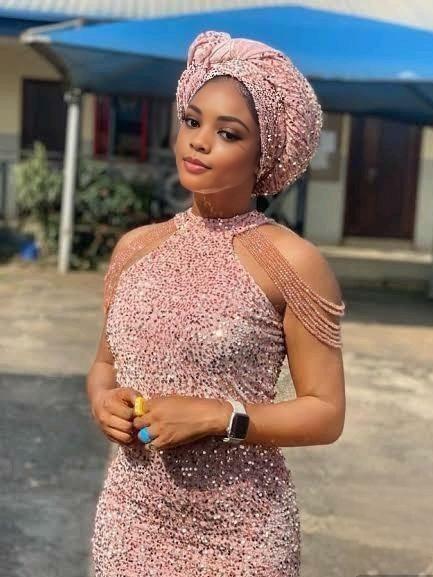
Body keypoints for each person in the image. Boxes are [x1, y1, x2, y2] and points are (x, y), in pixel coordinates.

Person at [86, 30, 346, 577]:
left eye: (228, 133)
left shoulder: (291, 261)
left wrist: (218, 416)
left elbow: (325, 412)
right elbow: (105, 366)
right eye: (192, 121)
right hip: (130, 520)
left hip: (243, 534)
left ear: (264, 154)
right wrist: (103, 400)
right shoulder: (135, 248)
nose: (199, 142)